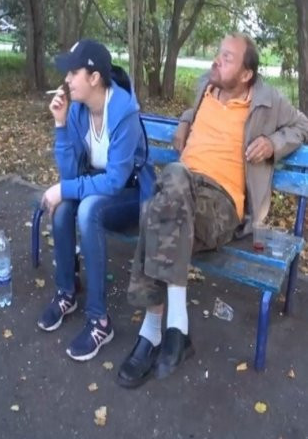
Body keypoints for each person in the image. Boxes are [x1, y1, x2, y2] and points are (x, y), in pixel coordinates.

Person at [117, 33, 308, 388]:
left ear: (247, 74)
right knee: (165, 201)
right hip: (180, 194)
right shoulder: (208, 86)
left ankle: (154, 330)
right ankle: (171, 331)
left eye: (227, 58)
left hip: (220, 205)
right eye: (219, 53)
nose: (216, 61)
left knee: (161, 201)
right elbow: (197, 113)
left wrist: (272, 143)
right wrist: (185, 121)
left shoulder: (268, 101)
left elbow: (302, 125)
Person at [39, 39, 155, 361]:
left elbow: (116, 180)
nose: (67, 80)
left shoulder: (124, 112)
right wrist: (61, 124)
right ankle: (66, 293)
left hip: (131, 194)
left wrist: (65, 189)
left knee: (87, 209)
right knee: (63, 209)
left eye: (73, 72)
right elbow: (70, 172)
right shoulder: (78, 110)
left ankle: (99, 321)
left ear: (94, 77)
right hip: (99, 187)